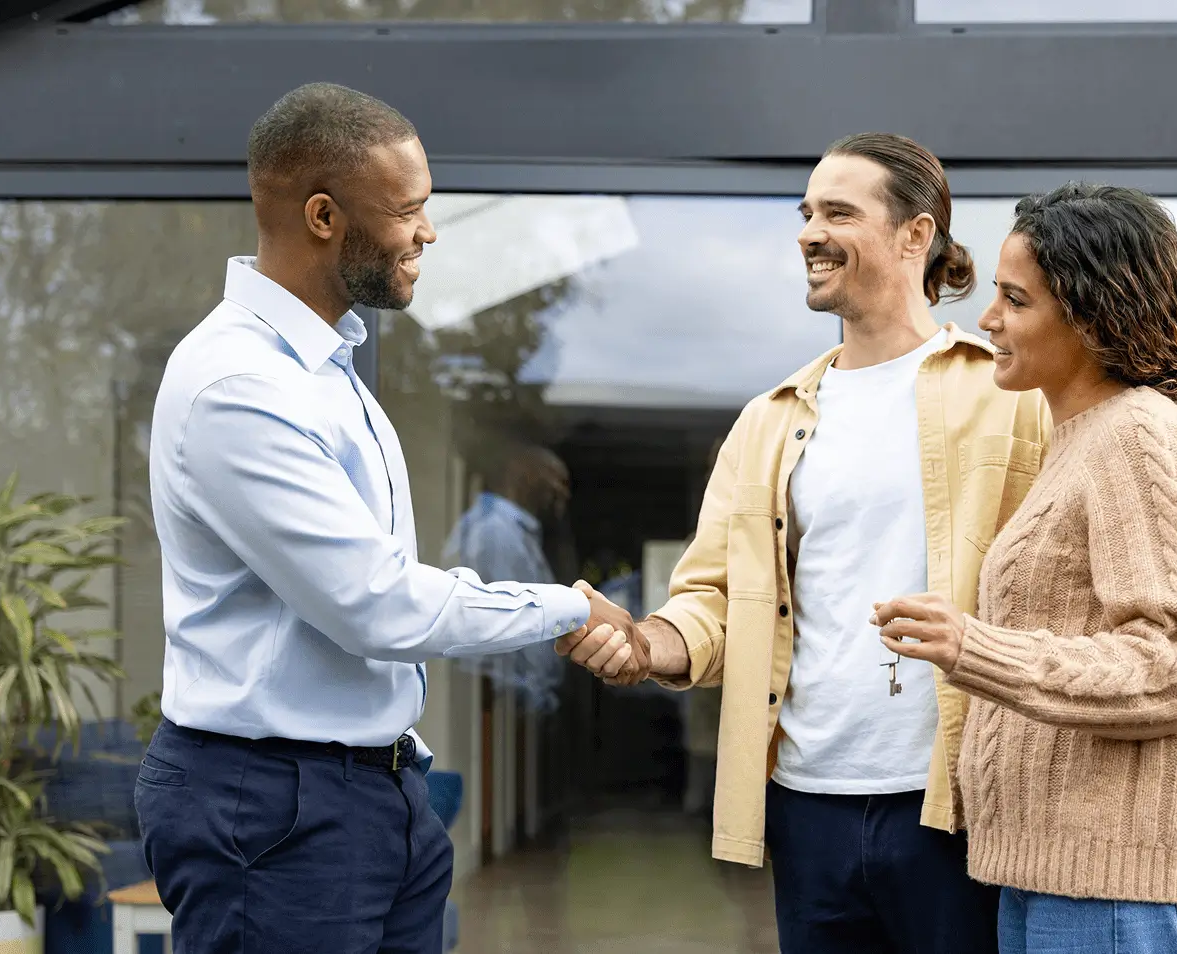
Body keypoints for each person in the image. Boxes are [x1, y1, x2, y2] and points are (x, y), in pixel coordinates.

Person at [135, 83, 637, 954]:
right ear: (323, 216)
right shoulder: (241, 386)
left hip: (371, 794)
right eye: (409, 210)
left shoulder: (328, 368)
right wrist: (570, 607)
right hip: (277, 814)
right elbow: (375, 606)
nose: (428, 233)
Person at [562, 133, 1052, 954]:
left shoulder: (1008, 395)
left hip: (959, 803)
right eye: (805, 212)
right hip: (806, 805)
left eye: (837, 212)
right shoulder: (770, 421)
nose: (807, 232)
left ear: (915, 235)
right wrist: (645, 644)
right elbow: (713, 598)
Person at [869, 183, 1177, 953]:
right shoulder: (1083, 438)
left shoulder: (1138, 438)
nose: (988, 318)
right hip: (1065, 879)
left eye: (1015, 300)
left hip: (1125, 895)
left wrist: (973, 648)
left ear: (1090, 318)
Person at [440, 442, 573, 712]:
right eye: (557, 479)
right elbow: (512, 622)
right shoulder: (496, 533)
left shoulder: (514, 532)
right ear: (523, 475)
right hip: (502, 707)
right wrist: (535, 696)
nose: (563, 492)